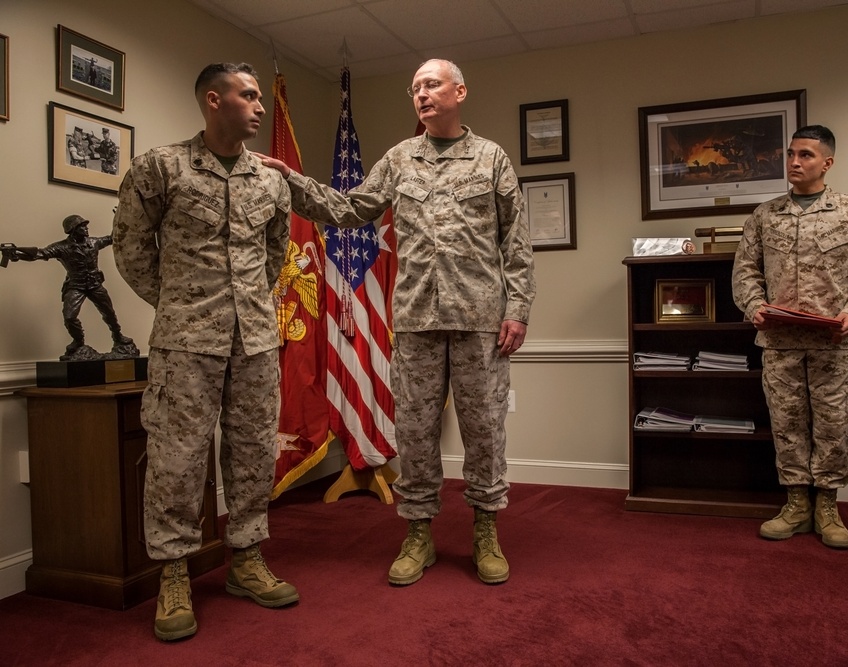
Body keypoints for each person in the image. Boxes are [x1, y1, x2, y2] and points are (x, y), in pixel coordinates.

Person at [258, 59, 536, 586]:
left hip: (480, 319)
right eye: (415, 88)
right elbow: (349, 208)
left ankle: (484, 530)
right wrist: (291, 181)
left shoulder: (492, 158)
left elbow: (515, 245)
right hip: (415, 320)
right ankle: (418, 534)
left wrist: (517, 309)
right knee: (414, 431)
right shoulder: (399, 159)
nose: (422, 94)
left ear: (460, 90)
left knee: (484, 432)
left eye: (431, 85)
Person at [112, 62, 297, 642]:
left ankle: (246, 559)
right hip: (185, 344)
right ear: (214, 101)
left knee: (250, 453)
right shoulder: (160, 168)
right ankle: (173, 574)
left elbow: (275, 253)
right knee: (177, 459)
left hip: (256, 342)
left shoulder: (270, 180)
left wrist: (249, 308)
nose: (259, 106)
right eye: (249, 96)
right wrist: (179, 306)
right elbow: (131, 250)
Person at [732, 125, 848, 550]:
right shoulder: (765, 215)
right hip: (780, 343)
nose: (795, 162)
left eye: (805, 155)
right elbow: (745, 270)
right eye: (791, 154)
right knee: (787, 426)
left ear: (827, 162)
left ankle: (828, 508)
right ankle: (797, 504)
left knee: (834, 427)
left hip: (833, 344)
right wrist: (754, 305)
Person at [10, 214, 136, 360]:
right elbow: (40, 253)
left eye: (85, 225)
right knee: (69, 317)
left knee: (109, 312)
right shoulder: (61, 247)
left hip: (95, 284)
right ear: (73, 229)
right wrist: (18, 254)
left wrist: (120, 218)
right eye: (82, 226)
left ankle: (118, 336)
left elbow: (112, 238)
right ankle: (78, 341)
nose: (86, 228)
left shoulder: (93, 242)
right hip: (76, 285)